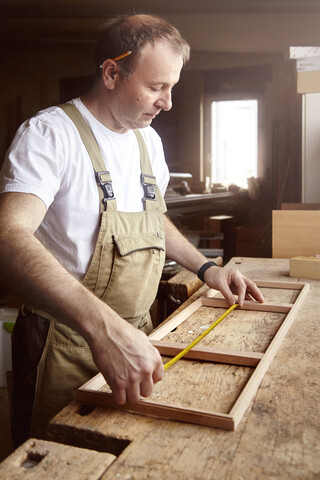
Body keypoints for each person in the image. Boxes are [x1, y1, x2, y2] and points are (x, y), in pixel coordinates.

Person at [0, 13, 264, 446]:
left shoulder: (148, 140)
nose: (168, 103)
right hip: (63, 342)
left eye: (172, 88)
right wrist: (103, 329)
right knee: (59, 456)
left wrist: (207, 270)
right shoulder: (50, 135)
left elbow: (152, 218)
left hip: (137, 334)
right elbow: (9, 238)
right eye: (157, 87)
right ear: (111, 72)